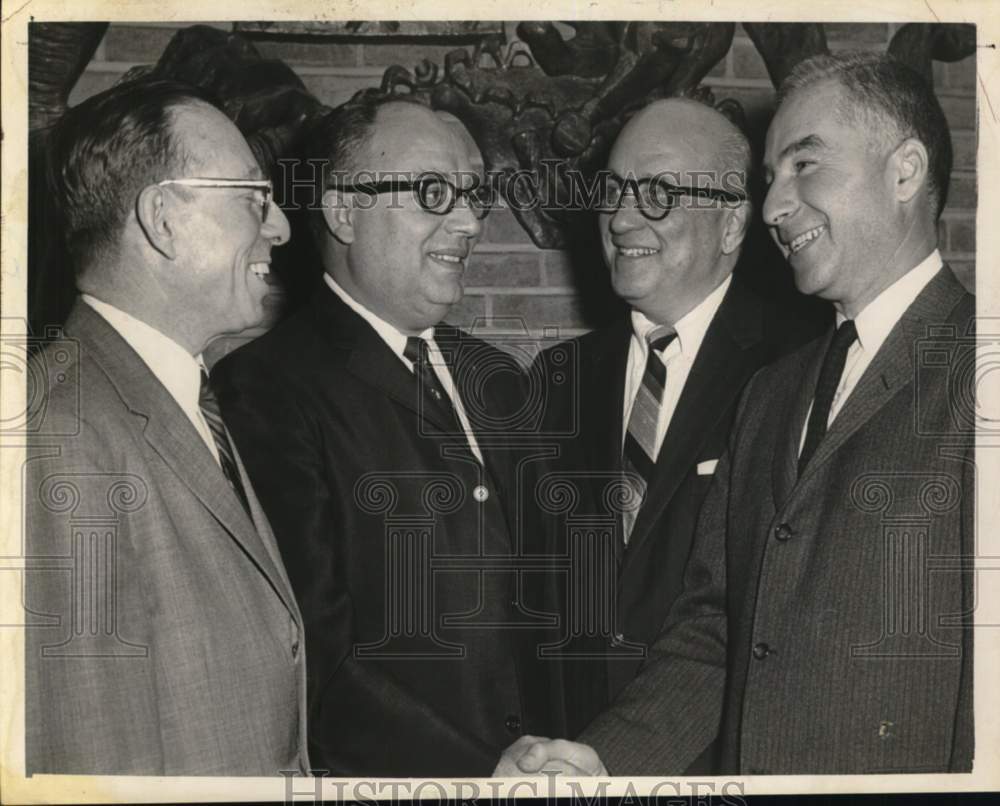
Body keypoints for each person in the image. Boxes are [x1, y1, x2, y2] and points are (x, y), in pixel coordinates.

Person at [498, 51, 974, 776]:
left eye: (804, 166)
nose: (776, 206)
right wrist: (600, 762)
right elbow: (718, 633)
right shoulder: (775, 392)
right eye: (770, 178)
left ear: (905, 172)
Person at [213, 96, 549, 777]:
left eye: (472, 195)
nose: (468, 222)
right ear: (342, 212)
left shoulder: (497, 377)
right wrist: (485, 773)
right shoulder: (265, 387)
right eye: (433, 193)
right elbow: (311, 650)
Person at [25, 79, 308, 775]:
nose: (280, 228)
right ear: (162, 218)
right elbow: (94, 761)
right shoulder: (63, 433)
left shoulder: (172, 397)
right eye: (252, 198)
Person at [530, 97, 818, 743]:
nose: (623, 217)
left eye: (658, 193)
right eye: (613, 190)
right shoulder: (556, 380)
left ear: (731, 225)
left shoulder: (800, 364)